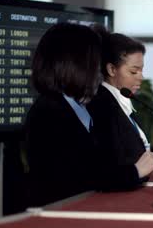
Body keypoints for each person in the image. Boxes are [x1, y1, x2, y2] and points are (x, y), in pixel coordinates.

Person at [25, 23, 102, 206]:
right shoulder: (48, 113)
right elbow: (78, 176)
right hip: (61, 217)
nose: (99, 71)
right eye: (95, 63)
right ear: (75, 64)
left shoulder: (81, 107)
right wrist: (133, 172)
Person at [87, 27, 153, 191]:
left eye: (141, 70)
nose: (141, 77)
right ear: (111, 69)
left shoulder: (121, 101)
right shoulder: (102, 105)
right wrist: (138, 169)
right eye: (134, 71)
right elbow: (108, 167)